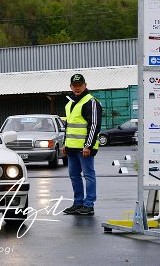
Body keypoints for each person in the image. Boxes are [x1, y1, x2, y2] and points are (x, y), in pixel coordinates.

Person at [62, 73, 102, 216]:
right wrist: (65, 144)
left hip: (85, 148)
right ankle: (78, 203)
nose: (77, 88)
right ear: (71, 87)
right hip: (72, 147)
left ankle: (89, 204)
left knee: (88, 175)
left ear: (85, 85)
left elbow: (94, 125)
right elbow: (68, 126)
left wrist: (88, 146)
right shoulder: (70, 103)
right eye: (75, 85)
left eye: (80, 85)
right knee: (74, 175)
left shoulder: (91, 102)